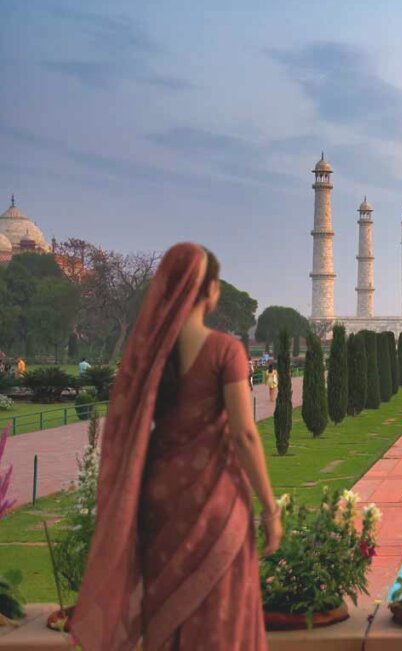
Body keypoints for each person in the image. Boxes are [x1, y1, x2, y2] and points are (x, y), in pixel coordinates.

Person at [72, 243, 280, 651]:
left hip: (159, 496)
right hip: (216, 497)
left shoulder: (148, 354)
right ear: (211, 291)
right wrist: (270, 508)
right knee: (222, 610)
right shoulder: (225, 350)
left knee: (164, 609)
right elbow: (244, 434)